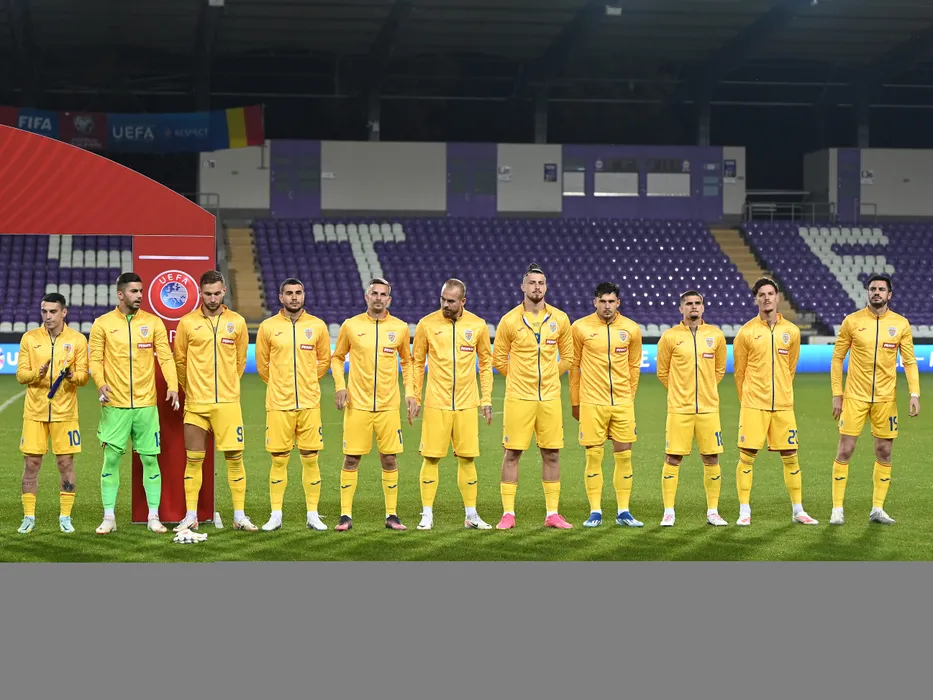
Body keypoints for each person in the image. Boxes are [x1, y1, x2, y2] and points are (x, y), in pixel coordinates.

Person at [89, 272, 179, 534]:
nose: (139, 295)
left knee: (150, 460)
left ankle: (153, 517)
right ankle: (109, 517)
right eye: (134, 291)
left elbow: (166, 357)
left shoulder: (153, 322)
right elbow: (95, 359)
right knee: (111, 459)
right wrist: (100, 383)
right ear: (120, 294)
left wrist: (173, 385)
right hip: (115, 405)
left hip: (145, 405)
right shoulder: (102, 324)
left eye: (141, 291)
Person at [829, 274, 920, 526]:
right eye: (872, 289)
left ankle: (877, 509)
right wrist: (837, 394)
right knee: (845, 449)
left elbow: (909, 361)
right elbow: (837, 358)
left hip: (885, 399)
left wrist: (914, 393)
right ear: (868, 292)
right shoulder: (852, 321)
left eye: (881, 289)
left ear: (889, 295)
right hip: (854, 397)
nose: (876, 292)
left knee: (884, 451)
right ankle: (837, 508)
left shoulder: (900, 324)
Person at [172, 270, 256, 533]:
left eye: (217, 293)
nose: (212, 298)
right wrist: (191, 389)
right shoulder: (187, 323)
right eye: (207, 293)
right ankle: (191, 516)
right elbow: (180, 361)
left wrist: (228, 386)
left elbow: (240, 361)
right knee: (193, 460)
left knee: (235, 459)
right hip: (196, 404)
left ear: (224, 291)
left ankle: (239, 516)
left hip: (228, 403)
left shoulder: (237, 322)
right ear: (200, 293)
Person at [493, 262, 574, 529]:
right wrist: (520, 378)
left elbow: (569, 356)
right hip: (519, 398)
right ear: (523, 287)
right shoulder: (509, 320)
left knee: (552, 454)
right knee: (512, 453)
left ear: (546, 287)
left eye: (541, 283)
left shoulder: (560, 319)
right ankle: (508, 513)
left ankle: (552, 514)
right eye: (532, 283)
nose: (536, 287)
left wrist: (548, 375)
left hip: (549, 398)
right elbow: (498, 359)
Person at [331, 278, 417, 532]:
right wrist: (340, 386)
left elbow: (407, 362)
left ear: (389, 299)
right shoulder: (351, 325)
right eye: (374, 293)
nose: (378, 298)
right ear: (366, 297)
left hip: (388, 406)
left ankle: (392, 515)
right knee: (351, 458)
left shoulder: (400, 328)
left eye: (383, 294)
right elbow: (337, 358)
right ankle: (345, 515)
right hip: (357, 404)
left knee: (389, 459)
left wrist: (410, 392)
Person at [733, 278, 818, 526]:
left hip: (783, 405)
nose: (766, 298)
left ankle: (798, 510)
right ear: (756, 299)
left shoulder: (791, 331)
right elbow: (739, 372)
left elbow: (790, 367)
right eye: (762, 294)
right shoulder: (746, 332)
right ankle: (744, 510)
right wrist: (748, 399)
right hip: (753, 404)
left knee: (791, 456)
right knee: (747, 456)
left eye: (770, 293)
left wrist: (781, 391)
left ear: (777, 297)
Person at [410, 279, 494, 531]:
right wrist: (415, 396)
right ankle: (427, 514)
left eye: (451, 301)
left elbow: (486, 364)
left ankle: (471, 515)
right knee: (431, 458)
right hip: (437, 403)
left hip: (467, 403)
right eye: (443, 299)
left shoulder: (478, 325)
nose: (445, 305)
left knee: (467, 459)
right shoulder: (426, 324)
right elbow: (417, 363)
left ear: (463, 301)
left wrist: (486, 398)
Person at [255, 278, 331, 532]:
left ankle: (313, 514)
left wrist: (307, 381)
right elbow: (262, 365)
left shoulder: (317, 326)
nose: (294, 297)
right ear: (281, 297)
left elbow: (324, 361)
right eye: (289, 293)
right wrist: (280, 384)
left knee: (311, 459)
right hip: (279, 404)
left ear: (304, 295)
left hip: (309, 403)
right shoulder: (268, 327)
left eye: (298, 292)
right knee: (279, 460)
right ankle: (276, 514)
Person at [570, 281, 644, 528]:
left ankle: (624, 511)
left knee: (624, 457)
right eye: (602, 301)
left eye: (611, 301)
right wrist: (575, 401)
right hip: (592, 402)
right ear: (595, 302)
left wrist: (629, 396)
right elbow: (574, 366)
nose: (607, 306)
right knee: (593, 457)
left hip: (622, 403)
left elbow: (634, 366)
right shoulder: (580, 327)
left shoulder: (631, 329)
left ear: (618, 302)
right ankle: (595, 511)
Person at [15, 293, 89, 534]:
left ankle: (65, 516)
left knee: (65, 463)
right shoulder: (30, 338)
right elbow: (20, 375)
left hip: (65, 412)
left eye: (53, 311)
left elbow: (84, 377)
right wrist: (37, 373)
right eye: (44, 311)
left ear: (63, 312)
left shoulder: (77, 340)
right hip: (34, 412)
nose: (48, 316)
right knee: (32, 464)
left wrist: (72, 376)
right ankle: (28, 516)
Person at [656, 290, 727, 527]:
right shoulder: (669, 337)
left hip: (708, 409)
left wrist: (705, 391)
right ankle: (668, 512)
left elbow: (719, 370)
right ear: (681, 308)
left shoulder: (716, 336)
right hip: (679, 409)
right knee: (673, 457)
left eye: (697, 303)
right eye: (689, 303)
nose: (693, 307)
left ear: (703, 307)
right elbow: (662, 372)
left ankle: (713, 512)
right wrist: (680, 392)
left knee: (711, 458)